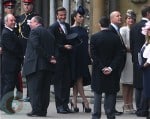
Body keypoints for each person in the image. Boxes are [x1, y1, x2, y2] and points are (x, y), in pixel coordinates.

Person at [90, 16, 124, 119]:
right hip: (112, 72)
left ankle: (96, 115)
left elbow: (93, 56)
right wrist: (110, 68)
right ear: (109, 24)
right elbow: (119, 55)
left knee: (97, 94)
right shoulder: (115, 37)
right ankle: (110, 114)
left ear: (99, 24)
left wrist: (102, 67)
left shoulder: (94, 37)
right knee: (110, 93)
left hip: (99, 71)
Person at [22, 16, 56, 117]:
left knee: (34, 89)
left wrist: (48, 57)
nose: (30, 24)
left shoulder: (35, 32)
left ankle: (36, 110)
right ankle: (43, 110)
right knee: (45, 90)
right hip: (47, 67)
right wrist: (51, 58)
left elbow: (37, 46)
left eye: (31, 22)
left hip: (35, 66)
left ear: (37, 23)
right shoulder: (49, 34)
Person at [48, 7, 73, 114]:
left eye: (64, 14)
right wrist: (63, 47)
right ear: (57, 16)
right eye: (61, 15)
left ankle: (65, 104)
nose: (63, 17)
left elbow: (69, 38)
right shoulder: (53, 27)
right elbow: (51, 43)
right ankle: (59, 106)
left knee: (67, 82)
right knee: (59, 83)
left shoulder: (67, 26)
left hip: (67, 58)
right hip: (58, 58)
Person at [70, 6, 91, 113]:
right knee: (78, 79)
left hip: (82, 57)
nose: (82, 18)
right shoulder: (70, 29)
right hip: (74, 57)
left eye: (83, 17)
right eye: (80, 16)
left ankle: (74, 101)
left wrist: (89, 56)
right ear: (75, 17)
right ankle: (85, 101)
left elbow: (86, 45)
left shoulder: (84, 30)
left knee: (78, 80)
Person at [0, 0, 23, 100]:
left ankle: (6, 103)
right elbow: (12, 47)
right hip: (9, 60)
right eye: (8, 7)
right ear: (5, 9)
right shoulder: (5, 28)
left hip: (13, 61)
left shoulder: (14, 25)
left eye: (12, 7)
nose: (10, 9)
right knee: (7, 83)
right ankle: (4, 103)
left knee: (11, 83)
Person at [130, 5, 150, 117]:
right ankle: (144, 108)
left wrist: (135, 59)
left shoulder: (134, 27)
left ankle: (139, 108)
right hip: (147, 60)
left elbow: (132, 45)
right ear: (148, 14)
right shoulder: (147, 26)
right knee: (146, 85)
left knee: (138, 85)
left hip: (137, 59)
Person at [18, 0, 37, 102]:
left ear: (32, 6)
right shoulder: (20, 18)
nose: (26, 7)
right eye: (25, 5)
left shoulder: (35, 17)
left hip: (30, 49)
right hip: (20, 49)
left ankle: (30, 94)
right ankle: (18, 94)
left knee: (30, 73)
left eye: (28, 5)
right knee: (18, 73)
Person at [109, 11, 126, 115]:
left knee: (115, 86)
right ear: (112, 19)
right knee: (112, 87)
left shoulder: (117, 30)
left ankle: (112, 108)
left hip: (118, 64)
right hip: (113, 64)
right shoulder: (111, 30)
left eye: (120, 15)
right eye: (117, 16)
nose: (120, 17)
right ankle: (111, 109)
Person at [120, 9, 136, 113]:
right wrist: (132, 49)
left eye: (132, 18)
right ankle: (125, 104)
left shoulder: (135, 29)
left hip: (133, 57)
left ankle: (130, 103)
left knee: (131, 83)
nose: (131, 20)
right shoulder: (123, 29)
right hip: (126, 57)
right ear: (126, 20)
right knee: (126, 82)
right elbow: (123, 44)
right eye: (129, 18)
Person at [140, 21, 150, 119]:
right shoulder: (146, 43)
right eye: (148, 30)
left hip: (148, 68)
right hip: (145, 70)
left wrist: (145, 64)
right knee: (147, 91)